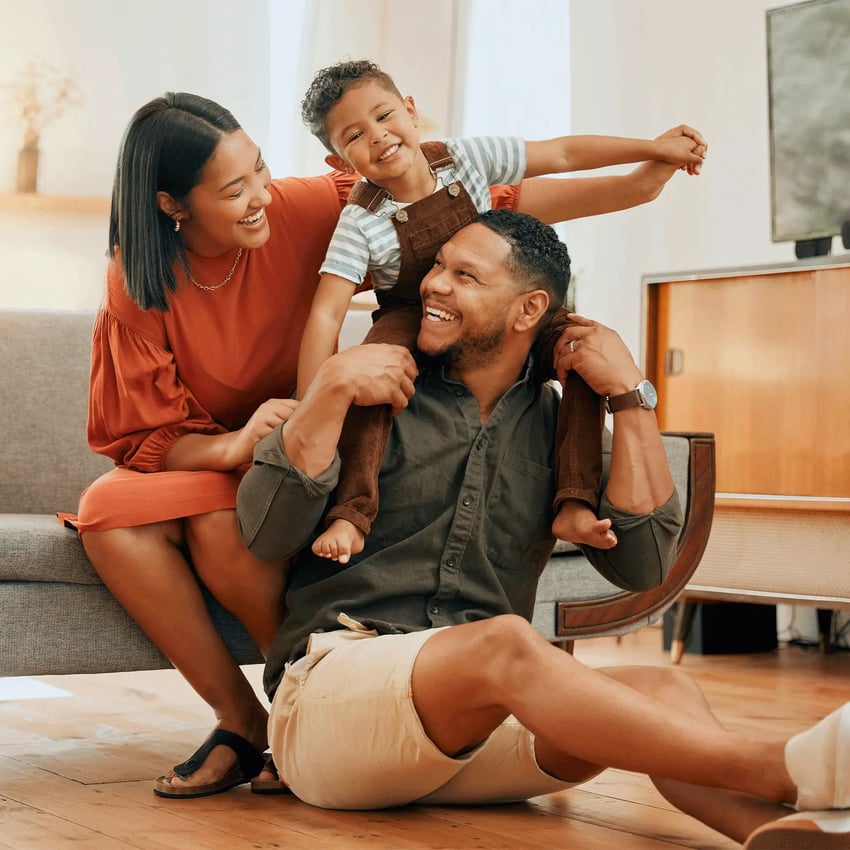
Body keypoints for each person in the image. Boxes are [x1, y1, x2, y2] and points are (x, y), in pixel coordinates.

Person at [66, 90, 704, 801]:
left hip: (331, 454)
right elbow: (147, 435)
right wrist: (281, 421)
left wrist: (643, 180)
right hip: (270, 444)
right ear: (172, 206)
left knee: (662, 692)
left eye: (260, 170)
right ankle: (254, 715)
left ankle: (799, 802)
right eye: (234, 189)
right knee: (116, 511)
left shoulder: (312, 208)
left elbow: (465, 198)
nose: (260, 196)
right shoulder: (141, 283)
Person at [237, 211, 850, 850]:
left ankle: (781, 832)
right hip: (334, 707)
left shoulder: (562, 430)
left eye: (465, 275)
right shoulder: (371, 391)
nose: (435, 285)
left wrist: (629, 398)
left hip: (471, 734)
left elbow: (643, 568)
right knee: (506, 641)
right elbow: (266, 534)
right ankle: (786, 768)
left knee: (664, 687)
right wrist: (330, 386)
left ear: (529, 308)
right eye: (439, 266)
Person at [296, 59, 707, 565]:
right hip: (411, 311)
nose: (378, 136)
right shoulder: (360, 221)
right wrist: (309, 403)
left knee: (582, 350)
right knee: (373, 377)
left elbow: (562, 152)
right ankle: (351, 511)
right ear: (340, 163)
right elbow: (324, 315)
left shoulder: (464, 158)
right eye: (355, 136)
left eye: (384, 116)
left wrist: (653, 148)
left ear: (410, 109)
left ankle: (575, 501)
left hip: (497, 298)